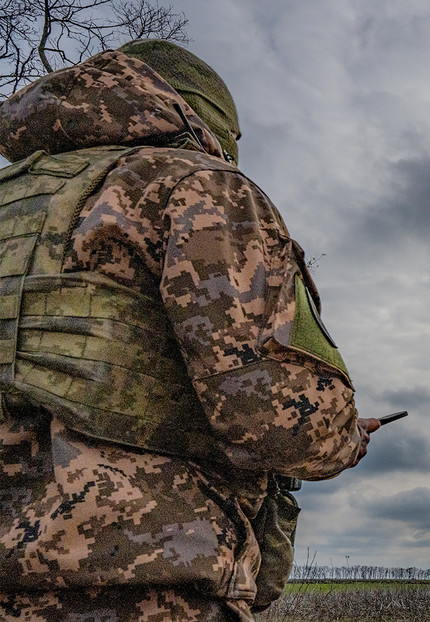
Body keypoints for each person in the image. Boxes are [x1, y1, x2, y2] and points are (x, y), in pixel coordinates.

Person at [0, 40, 379, 620]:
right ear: (202, 117)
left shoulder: (11, 201)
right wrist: (345, 436)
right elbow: (275, 419)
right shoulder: (195, 186)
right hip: (138, 582)